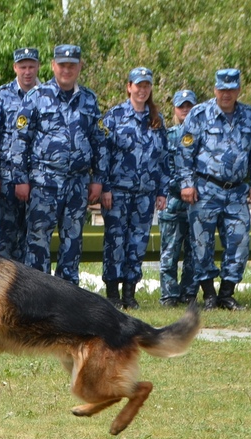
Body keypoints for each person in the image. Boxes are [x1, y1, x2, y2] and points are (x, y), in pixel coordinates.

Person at [13, 44, 106, 286]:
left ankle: (68, 295)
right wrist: (20, 179)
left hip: (77, 182)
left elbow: (99, 141)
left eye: (71, 65)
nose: (67, 70)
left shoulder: (89, 99)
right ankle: (37, 292)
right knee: (38, 240)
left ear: (79, 67)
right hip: (44, 183)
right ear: (53, 66)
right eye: (62, 65)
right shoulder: (36, 97)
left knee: (73, 240)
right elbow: (20, 140)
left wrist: (98, 179)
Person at [175, 68, 251, 310]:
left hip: (236, 191)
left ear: (238, 90)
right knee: (201, 244)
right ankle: (209, 294)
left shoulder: (248, 115)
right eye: (222, 89)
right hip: (205, 189)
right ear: (215, 89)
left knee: (240, 242)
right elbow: (184, 152)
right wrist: (187, 184)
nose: (227, 93)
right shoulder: (199, 114)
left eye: (231, 89)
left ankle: (227, 293)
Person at [100, 67, 167, 309]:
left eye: (146, 85)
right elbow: (104, 155)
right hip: (117, 192)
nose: (142, 90)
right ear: (129, 86)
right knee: (115, 242)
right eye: (138, 85)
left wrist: (162, 191)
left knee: (138, 243)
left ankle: (130, 293)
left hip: (145, 194)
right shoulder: (115, 116)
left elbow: (163, 158)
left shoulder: (156, 120)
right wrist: (104, 187)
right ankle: (112, 294)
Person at [0, 46, 40, 261]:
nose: (27, 71)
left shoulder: (46, 94)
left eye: (31, 66)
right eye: (23, 67)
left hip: (39, 178)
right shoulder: (1, 95)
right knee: (7, 236)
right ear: (15, 68)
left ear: (38, 67)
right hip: (8, 178)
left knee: (34, 236)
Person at [159, 89, 198, 307]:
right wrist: (183, 186)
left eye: (189, 106)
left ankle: (189, 293)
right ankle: (169, 295)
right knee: (169, 252)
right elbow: (165, 168)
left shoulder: (202, 134)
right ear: (174, 109)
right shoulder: (168, 135)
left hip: (196, 202)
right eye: (181, 106)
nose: (185, 110)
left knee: (195, 251)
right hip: (173, 202)